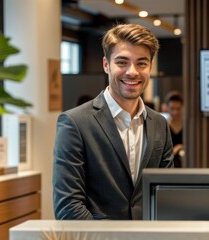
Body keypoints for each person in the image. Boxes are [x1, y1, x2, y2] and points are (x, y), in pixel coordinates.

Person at [53, 23, 174, 220]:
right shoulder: (74, 123)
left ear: (150, 67)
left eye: (141, 63)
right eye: (122, 62)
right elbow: (68, 207)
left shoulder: (159, 123)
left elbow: (166, 195)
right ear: (106, 64)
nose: (132, 72)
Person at [165, 91, 184, 167]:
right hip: (169, 164)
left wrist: (180, 146)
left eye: (178, 109)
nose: (175, 112)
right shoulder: (164, 126)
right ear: (167, 108)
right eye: (172, 108)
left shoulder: (189, 127)